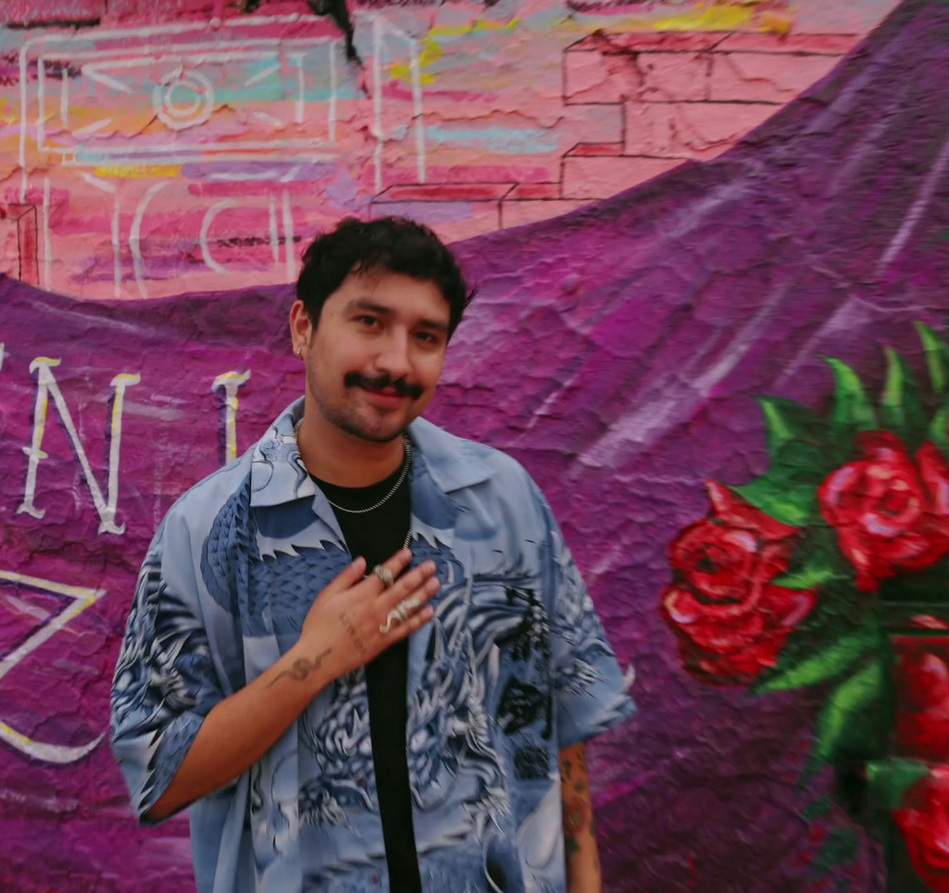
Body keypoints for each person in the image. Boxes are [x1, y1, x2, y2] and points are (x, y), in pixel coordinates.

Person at [110, 216, 634, 893]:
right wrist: (313, 659)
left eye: (425, 337)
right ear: (303, 326)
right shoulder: (208, 529)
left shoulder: (502, 502)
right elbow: (157, 774)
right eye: (369, 322)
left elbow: (561, 729)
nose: (395, 361)